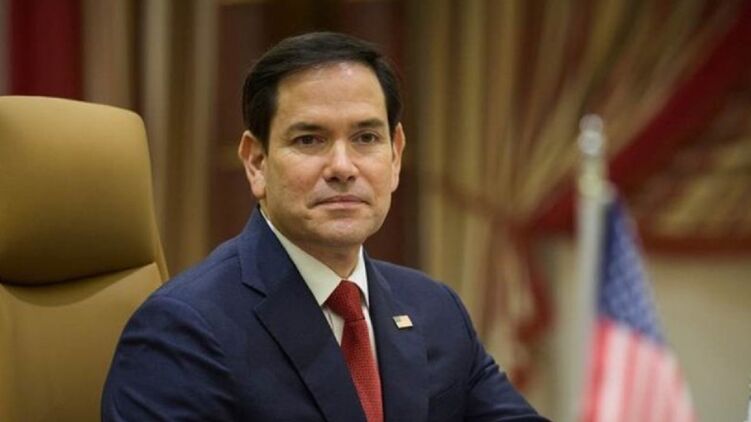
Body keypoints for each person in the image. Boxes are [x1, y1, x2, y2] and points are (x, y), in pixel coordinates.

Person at [102, 32, 548, 422]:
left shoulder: (436, 310)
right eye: (309, 140)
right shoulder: (184, 329)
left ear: (395, 155)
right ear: (256, 163)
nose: (342, 167)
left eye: (366, 138)